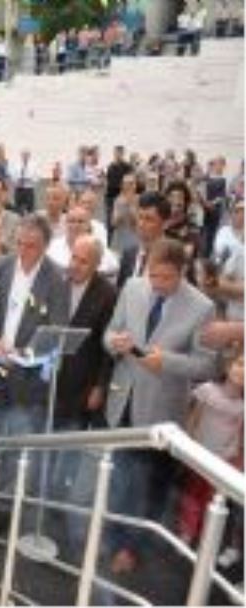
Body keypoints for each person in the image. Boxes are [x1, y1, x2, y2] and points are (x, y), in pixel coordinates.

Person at [104, 237, 217, 573]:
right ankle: (112, 535)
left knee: (151, 486)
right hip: (123, 401)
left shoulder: (202, 307)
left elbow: (207, 366)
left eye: (166, 277)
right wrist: (115, 342)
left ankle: (132, 548)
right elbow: (109, 333)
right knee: (120, 477)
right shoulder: (132, 287)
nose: (156, 284)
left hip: (162, 413)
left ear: (182, 272)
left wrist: (166, 361)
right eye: (152, 275)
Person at [0, 215, 69, 503]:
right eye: (20, 244)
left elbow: (56, 331)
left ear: (45, 246)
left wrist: (25, 354)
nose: (23, 251)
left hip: (28, 378)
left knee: (19, 440)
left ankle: (7, 503)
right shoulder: (0, 266)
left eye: (31, 246)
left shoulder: (57, 278)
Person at [177, 354, 243, 545]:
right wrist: (187, 443)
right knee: (191, 493)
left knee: (212, 498)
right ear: (229, 365)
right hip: (200, 452)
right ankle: (187, 531)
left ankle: (205, 535)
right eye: (240, 364)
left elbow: (240, 437)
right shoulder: (207, 390)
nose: (242, 371)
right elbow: (193, 419)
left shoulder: (242, 406)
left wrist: (238, 461)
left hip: (223, 460)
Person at [55, 235, 116, 430]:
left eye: (83, 261)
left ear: (97, 264)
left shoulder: (107, 294)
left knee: (70, 441)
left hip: (81, 387)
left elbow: (108, 347)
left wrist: (100, 387)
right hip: (49, 383)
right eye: (74, 257)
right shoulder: (57, 281)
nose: (75, 265)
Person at [116, 191, 171, 288]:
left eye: (149, 219)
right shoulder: (129, 254)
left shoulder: (173, 258)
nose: (141, 224)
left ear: (165, 224)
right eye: (140, 217)